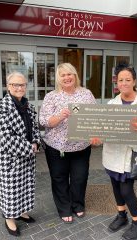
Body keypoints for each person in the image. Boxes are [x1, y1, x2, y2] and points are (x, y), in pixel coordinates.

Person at [95, 63, 137, 240]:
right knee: (115, 186)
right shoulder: (112, 103)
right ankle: (121, 216)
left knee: (126, 190)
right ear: (116, 82)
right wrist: (98, 137)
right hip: (113, 153)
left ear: (134, 81)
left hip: (133, 154)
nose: (123, 83)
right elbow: (106, 128)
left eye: (127, 80)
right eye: (120, 80)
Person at [39, 63, 96, 223]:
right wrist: (59, 117)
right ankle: (64, 208)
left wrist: (94, 134)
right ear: (58, 79)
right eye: (63, 75)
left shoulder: (86, 94)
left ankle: (77, 205)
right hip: (57, 147)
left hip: (81, 146)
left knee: (80, 177)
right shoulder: (52, 96)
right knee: (59, 178)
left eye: (69, 74)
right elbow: (43, 121)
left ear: (75, 76)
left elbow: (94, 116)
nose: (67, 77)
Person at [0, 72, 41, 237]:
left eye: (22, 85)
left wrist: (35, 141)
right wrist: (30, 148)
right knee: (11, 190)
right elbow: (6, 139)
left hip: (27, 157)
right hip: (10, 159)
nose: (19, 88)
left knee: (25, 187)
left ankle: (21, 212)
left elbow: (34, 127)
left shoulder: (28, 105)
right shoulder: (3, 109)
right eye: (15, 85)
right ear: (8, 87)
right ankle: (9, 218)